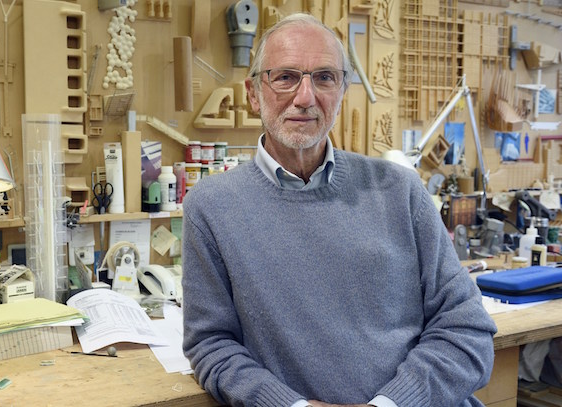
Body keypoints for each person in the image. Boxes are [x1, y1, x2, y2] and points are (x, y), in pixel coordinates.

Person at [181, 13, 497, 407]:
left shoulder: (400, 189)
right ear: (252, 92)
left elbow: (467, 330)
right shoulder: (211, 207)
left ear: (344, 89)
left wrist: (390, 404)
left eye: (325, 77)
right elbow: (211, 345)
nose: (305, 97)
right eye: (285, 77)